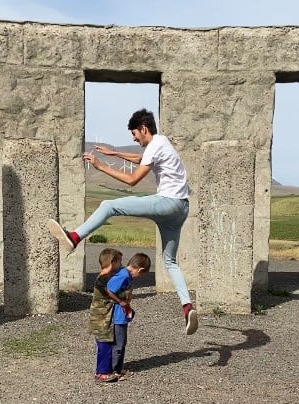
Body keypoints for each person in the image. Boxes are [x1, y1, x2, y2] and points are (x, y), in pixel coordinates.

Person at [47, 108, 198, 335]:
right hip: (181, 209)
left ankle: (75, 237)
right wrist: (115, 154)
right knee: (170, 263)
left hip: (168, 202)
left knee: (109, 206)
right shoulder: (162, 143)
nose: (134, 139)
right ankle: (187, 307)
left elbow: (132, 180)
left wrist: (101, 166)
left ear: (143, 128)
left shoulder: (155, 145)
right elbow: (141, 159)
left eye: (135, 134)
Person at [106, 252, 151, 380]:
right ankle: (114, 370)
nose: (139, 277)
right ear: (140, 269)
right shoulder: (124, 275)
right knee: (119, 343)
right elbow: (109, 289)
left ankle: (118, 367)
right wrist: (120, 301)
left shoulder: (126, 275)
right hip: (118, 316)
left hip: (122, 314)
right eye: (141, 274)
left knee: (121, 342)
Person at [88, 248, 123, 383]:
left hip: (103, 317)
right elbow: (114, 293)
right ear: (112, 262)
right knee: (104, 345)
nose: (121, 265)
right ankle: (101, 372)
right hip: (101, 318)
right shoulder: (103, 279)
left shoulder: (104, 277)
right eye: (119, 262)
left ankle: (108, 369)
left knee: (107, 343)